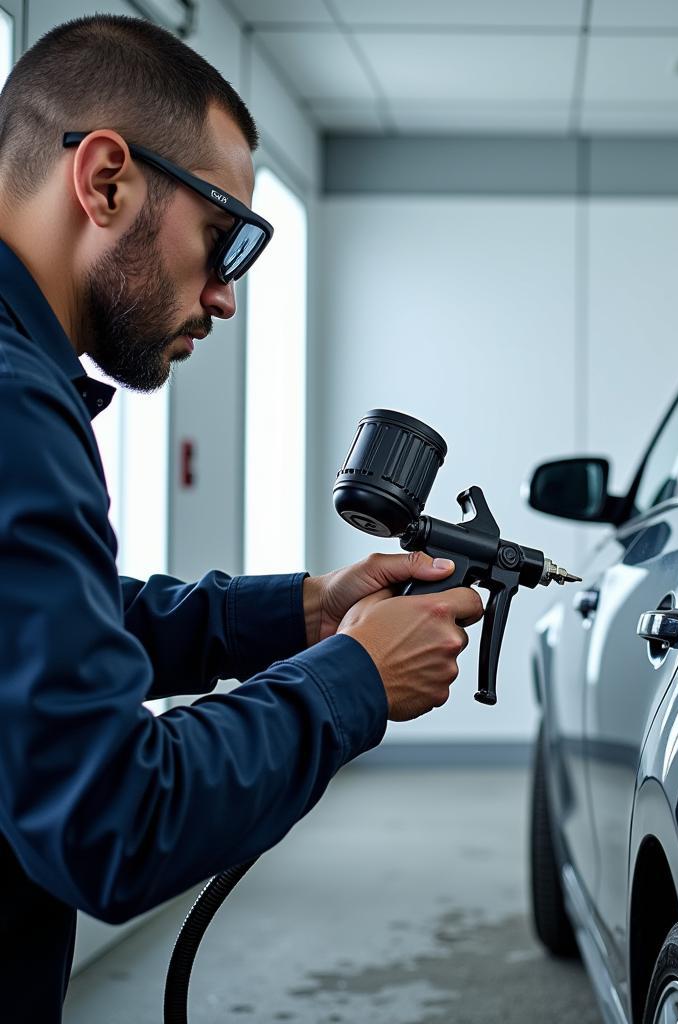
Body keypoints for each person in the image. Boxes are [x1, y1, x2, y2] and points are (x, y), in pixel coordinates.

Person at [0, 15, 484, 1020]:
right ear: (104, 182)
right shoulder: (14, 407)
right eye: (226, 239)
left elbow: (45, 630)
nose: (225, 298)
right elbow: (113, 822)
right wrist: (352, 677)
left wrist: (304, 611)